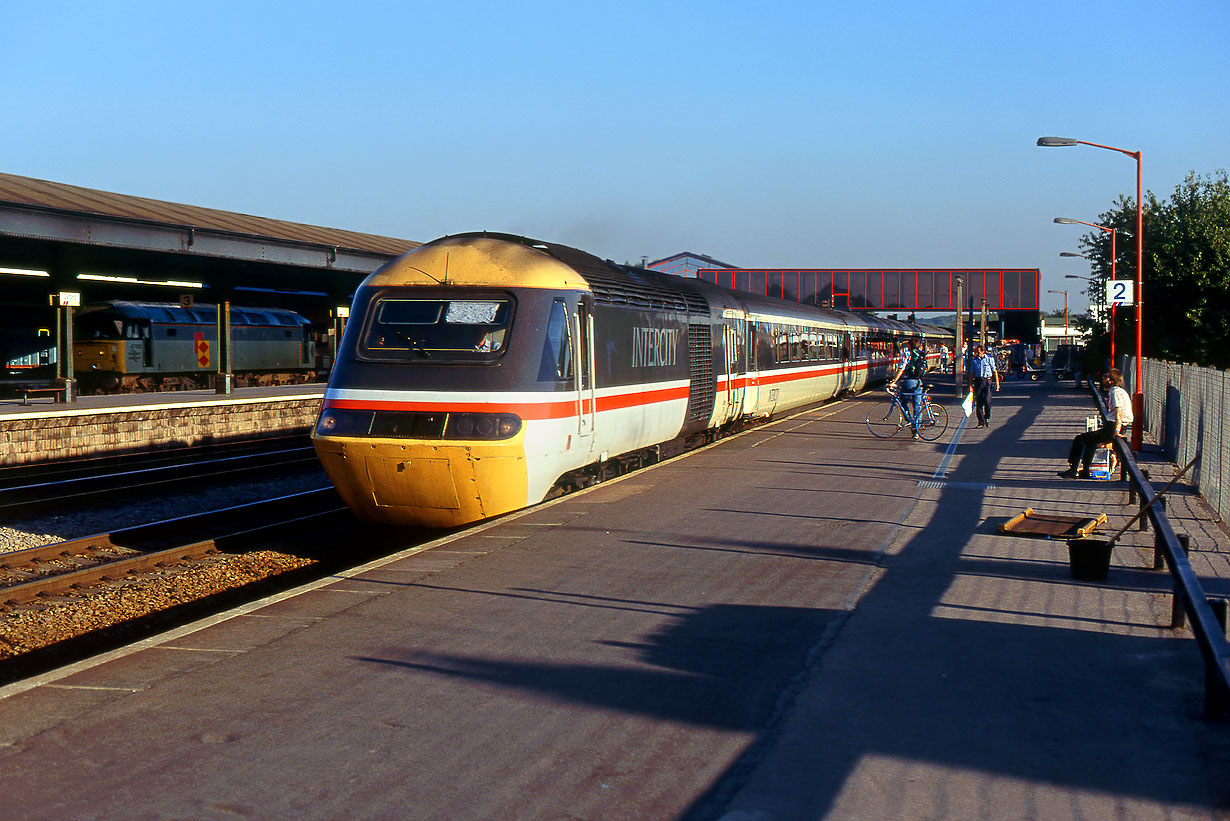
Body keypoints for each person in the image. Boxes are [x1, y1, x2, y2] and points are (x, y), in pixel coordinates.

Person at [1059, 368, 1134, 479]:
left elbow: (1119, 412)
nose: (1102, 378)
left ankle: (1074, 469)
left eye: (1106, 377)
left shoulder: (1115, 392)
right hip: (1115, 425)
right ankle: (1085, 470)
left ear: (1111, 380)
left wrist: (1117, 431)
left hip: (1114, 426)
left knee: (1080, 439)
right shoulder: (1118, 391)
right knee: (1090, 440)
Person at [888, 338, 926, 439]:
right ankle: (917, 429)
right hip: (919, 382)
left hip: (908, 382)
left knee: (903, 402)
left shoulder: (907, 354)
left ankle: (910, 423)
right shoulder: (921, 354)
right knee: (917, 406)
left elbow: (901, 368)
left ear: (909, 345)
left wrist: (894, 381)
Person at [967, 343, 999, 428]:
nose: (977, 354)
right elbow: (971, 373)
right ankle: (981, 422)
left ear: (983, 351)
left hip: (988, 381)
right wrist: (970, 385)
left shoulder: (989, 359)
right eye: (976, 352)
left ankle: (987, 417)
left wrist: (997, 383)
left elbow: (994, 371)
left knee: (987, 401)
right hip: (978, 381)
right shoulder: (974, 361)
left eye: (979, 352)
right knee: (979, 402)